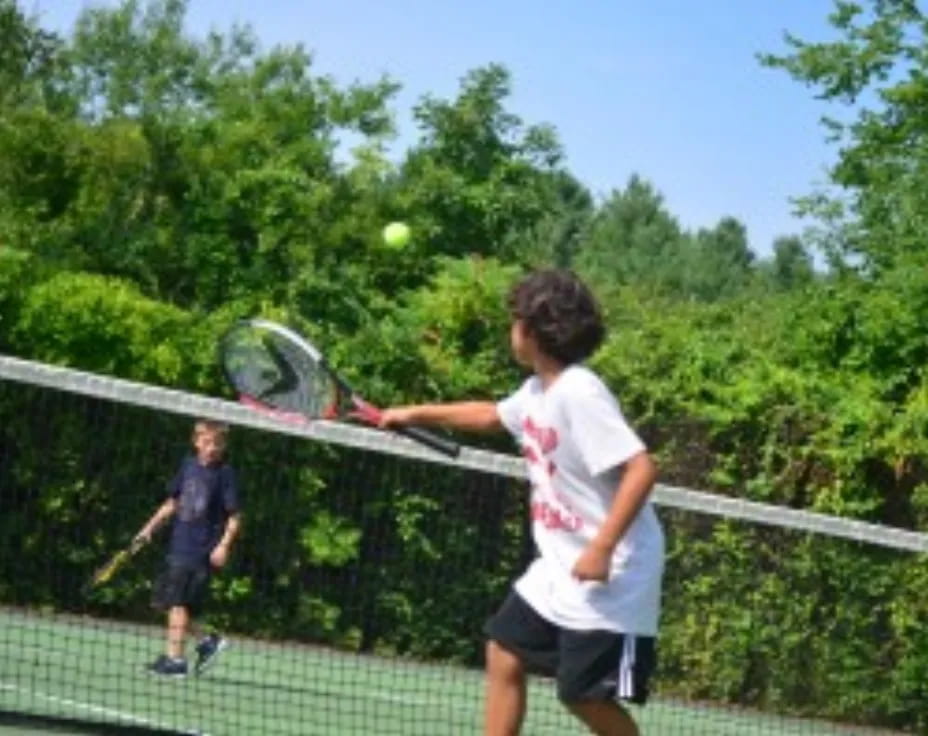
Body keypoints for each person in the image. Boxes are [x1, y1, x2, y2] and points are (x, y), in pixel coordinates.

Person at [380, 269, 664, 736]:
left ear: (532, 330)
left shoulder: (579, 391)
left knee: (583, 695)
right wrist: (412, 413)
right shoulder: (538, 391)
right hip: (558, 569)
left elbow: (641, 469)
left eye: (513, 321)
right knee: (504, 649)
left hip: (613, 576)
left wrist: (602, 548)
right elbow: (492, 415)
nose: (509, 330)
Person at [135, 419, 242, 678]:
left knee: (178, 603)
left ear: (224, 445)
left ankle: (176, 662)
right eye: (207, 442)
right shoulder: (187, 466)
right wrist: (148, 529)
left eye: (218, 443)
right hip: (178, 544)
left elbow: (235, 516)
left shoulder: (225, 474)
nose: (212, 448)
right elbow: (172, 503)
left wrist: (223, 546)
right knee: (164, 602)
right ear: (196, 442)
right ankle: (208, 641)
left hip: (201, 549)